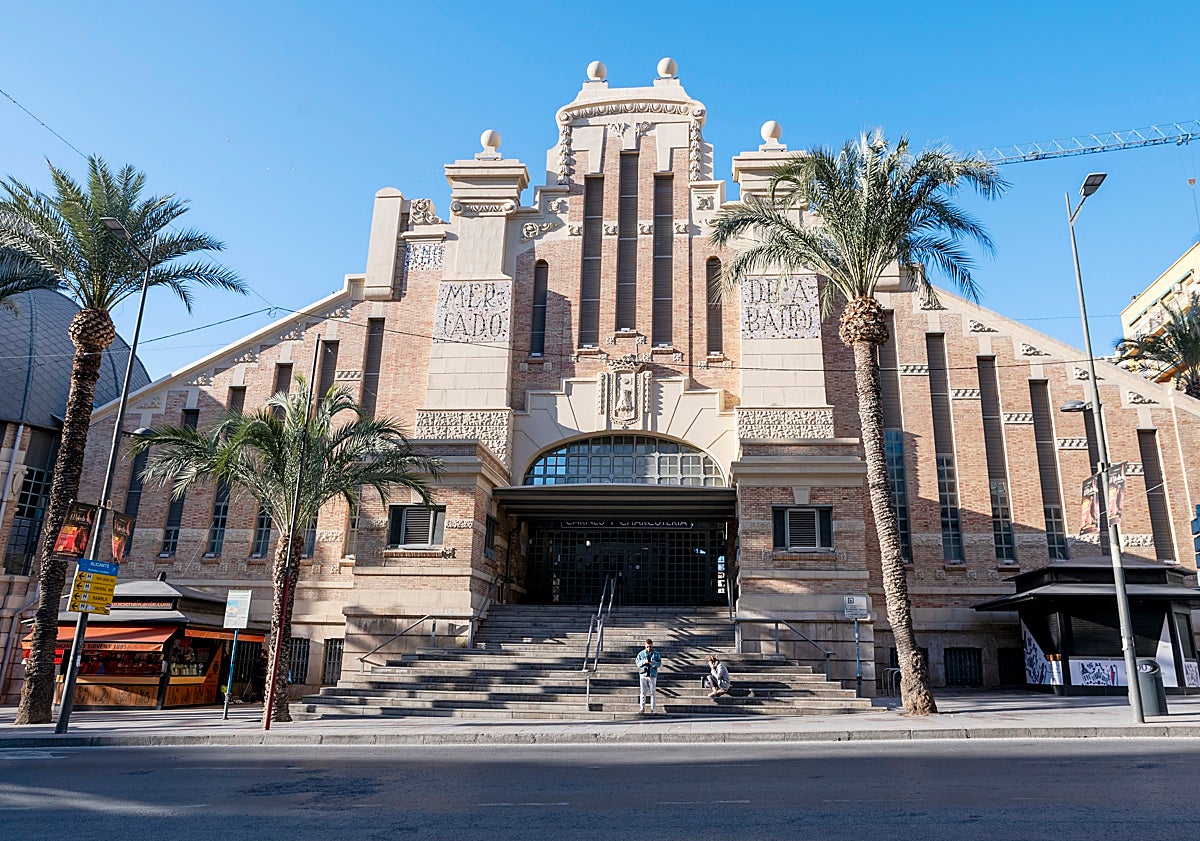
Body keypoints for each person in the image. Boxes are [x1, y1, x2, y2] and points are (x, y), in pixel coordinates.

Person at [635, 638, 661, 714]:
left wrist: (653, 663)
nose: (649, 648)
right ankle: (642, 708)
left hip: (652, 675)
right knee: (643, 692)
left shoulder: (656, 654)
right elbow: (637, 663)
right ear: (645, 646)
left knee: (653, 692)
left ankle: (653, 708)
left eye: (650, 647)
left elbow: (659, 663)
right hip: (643, 674)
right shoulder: (641, 654)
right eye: (647, 647)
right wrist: (644, 662)